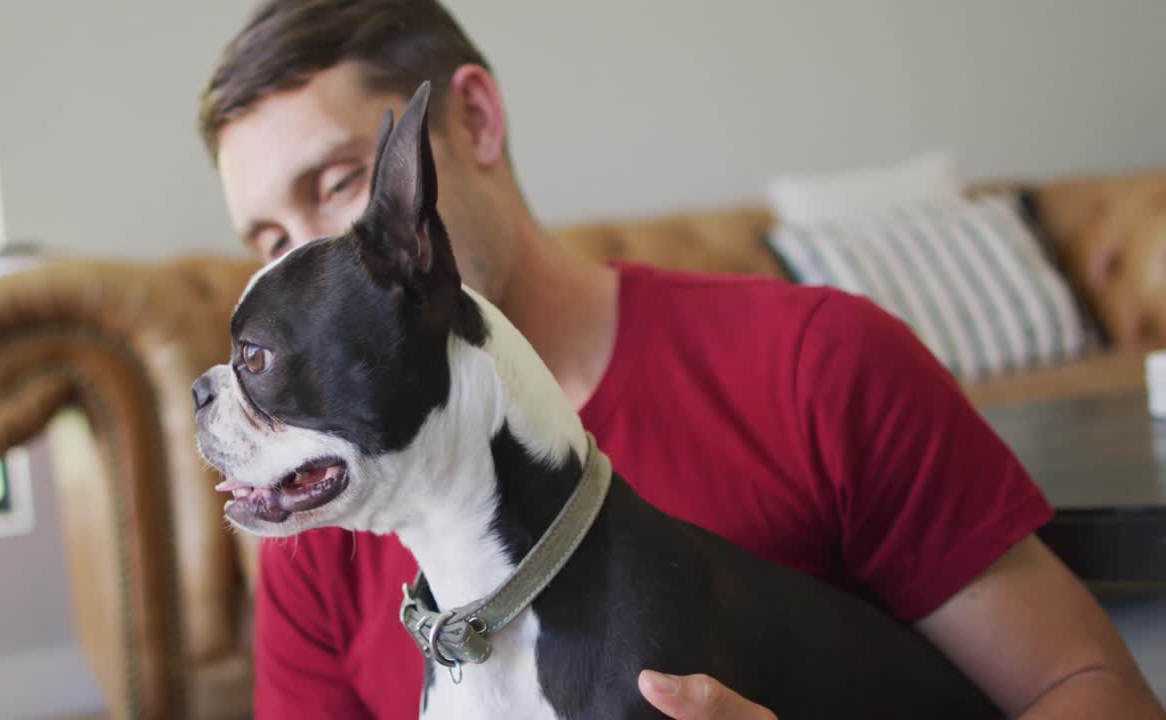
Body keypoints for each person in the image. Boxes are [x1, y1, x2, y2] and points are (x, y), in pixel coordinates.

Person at [197, 1, 1164, 717]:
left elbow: (1088, 689)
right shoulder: (324, 504)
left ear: (476, 124)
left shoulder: (819, 366)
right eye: (268, 238)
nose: (307, 261)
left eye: (337, 186)